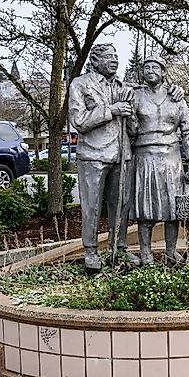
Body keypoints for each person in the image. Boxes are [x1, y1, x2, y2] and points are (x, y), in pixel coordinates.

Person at [68, 43, 137, 274]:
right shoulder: (80, 84)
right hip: (94, 155)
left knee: (121, 205)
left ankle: (119, 247)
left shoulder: (122, 86)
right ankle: (90, 251)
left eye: (116, 56)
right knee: (92, 206)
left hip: (122, 153)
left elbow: (134, 126)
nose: (114, 60)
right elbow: (79, 121)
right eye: (108, 56)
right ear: (95, 61)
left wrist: (130, 109)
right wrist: (112, 110)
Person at [128, 56, 189, 265]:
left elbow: (188, 130)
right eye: (146, 67)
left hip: (171, 158)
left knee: (172, 210)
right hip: (144, 157)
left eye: (155, 67)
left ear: (163, 72)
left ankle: (170, 252)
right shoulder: (136, 95)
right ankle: (146, 253)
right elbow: (130, 130)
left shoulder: (175, 97)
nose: (150, 70)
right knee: (146, 209)